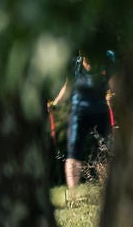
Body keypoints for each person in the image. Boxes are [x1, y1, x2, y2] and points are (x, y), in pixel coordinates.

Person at [48, 51, 116, 192]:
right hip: (79, 112)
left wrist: (112, 96)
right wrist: (55, 104)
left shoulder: (106, 60)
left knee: (103, 151)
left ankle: (106, 189)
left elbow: (113, 85)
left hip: (101, 111)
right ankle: (73, 193)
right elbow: (67, 88)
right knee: (73, 151)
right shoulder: (75, 64)